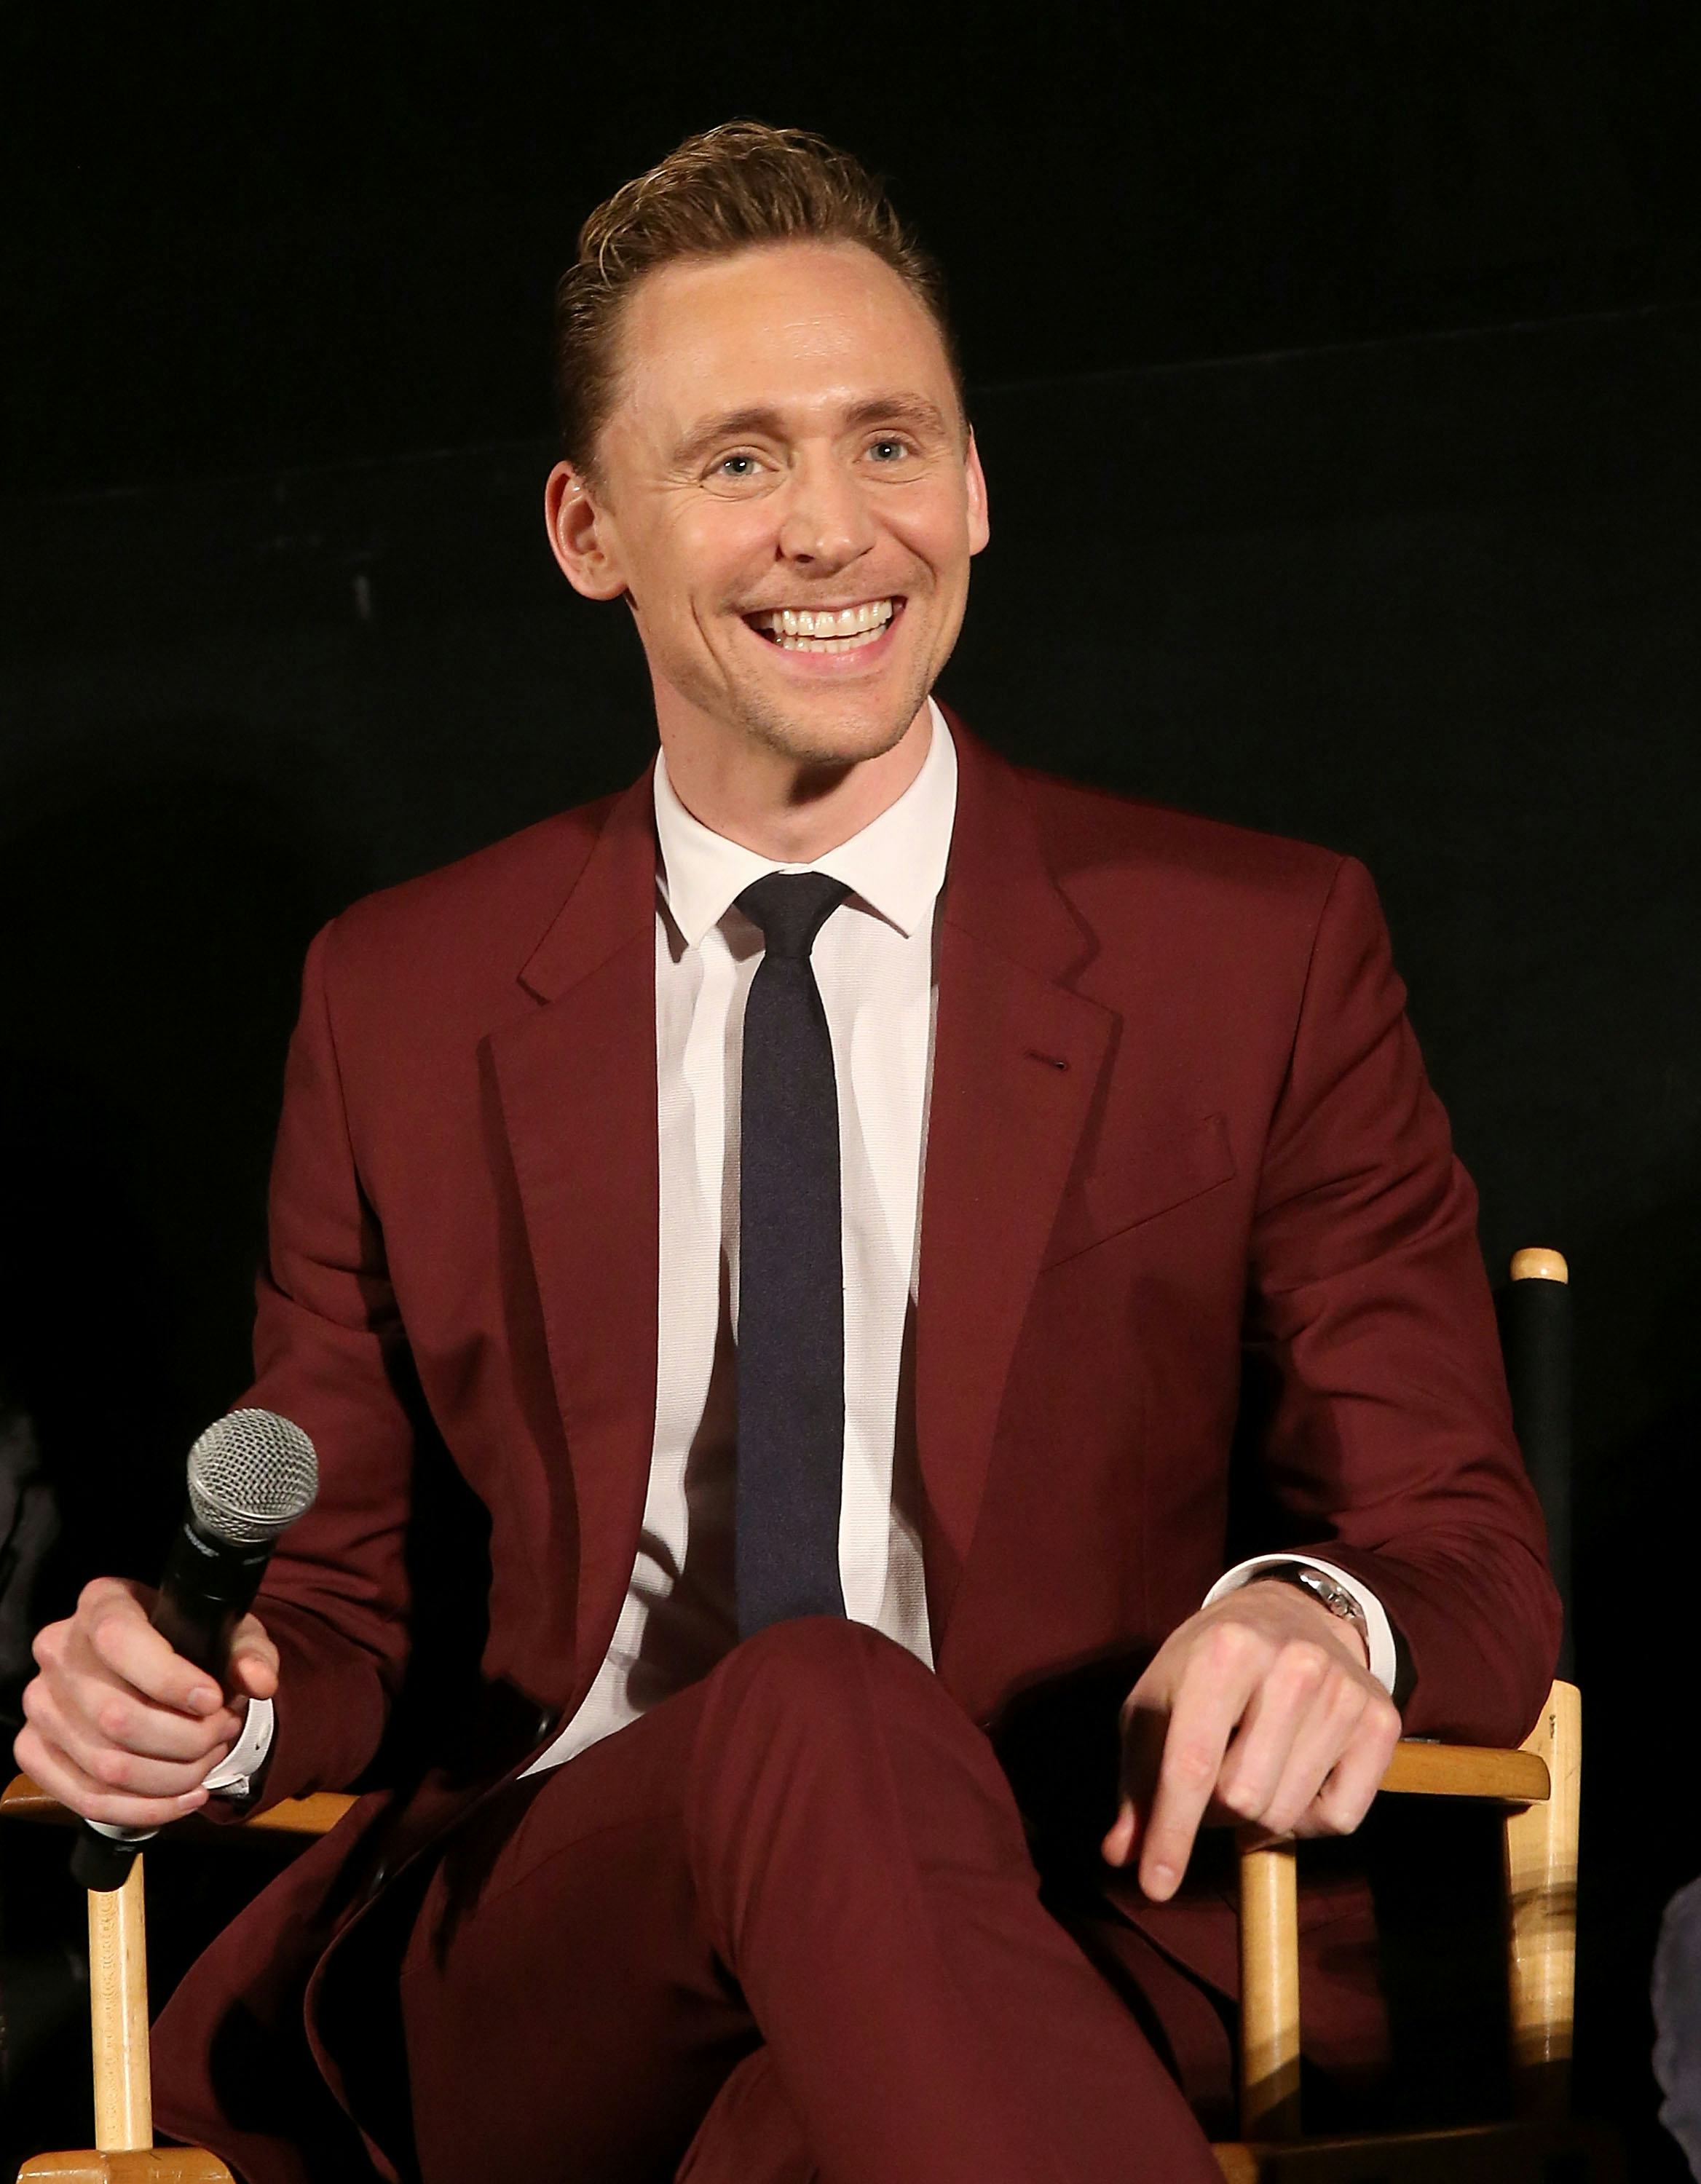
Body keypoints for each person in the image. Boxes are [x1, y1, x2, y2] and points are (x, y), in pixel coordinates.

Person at [14, 122, 1558, 2184]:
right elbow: (343, 1605)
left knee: (804, 2134)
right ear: (588, 529)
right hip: (556, 1945)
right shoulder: (403, 999)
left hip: (1078, 1918)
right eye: (739, 461)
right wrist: (213, 1706)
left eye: (889, 445)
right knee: (817, 1706)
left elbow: (1461, 1547)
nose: (835, 531)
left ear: (977, 486)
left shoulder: (1256, 954)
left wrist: (1310, 1611)